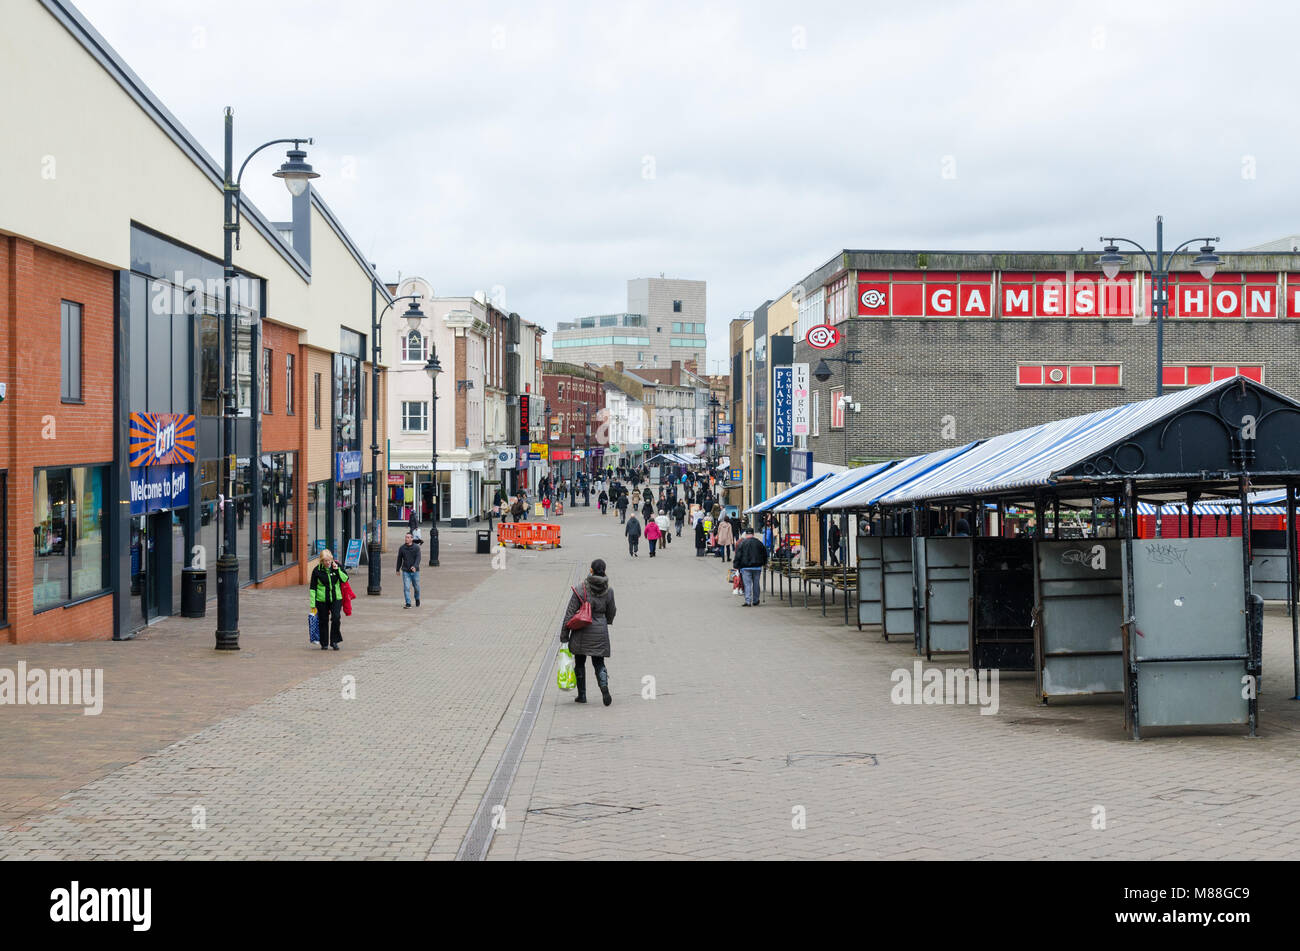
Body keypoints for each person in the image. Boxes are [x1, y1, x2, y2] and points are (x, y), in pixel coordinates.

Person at [560, 557, 618, 706]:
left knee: (580, 663)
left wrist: (564, 635)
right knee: (599, 662)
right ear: (604, 571)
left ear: (591, 570)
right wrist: (607, 621)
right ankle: (604, 688)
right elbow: (612, 611)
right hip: (600, 630)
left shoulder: (581, 588)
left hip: (581, 630)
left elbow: (569, 613)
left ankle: (582, 695)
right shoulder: (609, 590)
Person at [309, 549, 349, 650]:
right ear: (321, 561)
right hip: (321, 600)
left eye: (329, 560)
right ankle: (324, 642)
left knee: (336, 618)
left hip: (336, 598)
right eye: (325, 561)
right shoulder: (317, 570)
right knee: (323, 620)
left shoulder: (337, 566)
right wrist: (313, 604)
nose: (328, 563)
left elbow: (345, 579)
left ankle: (334, 641)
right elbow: (313, 588)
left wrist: (337, 570)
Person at [733, 528, 768, 607]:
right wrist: (764, 563)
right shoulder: (759, 543)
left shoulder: (742, 543)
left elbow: (738, 555)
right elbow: (764, 554)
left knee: (747, 584)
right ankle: (755, 600)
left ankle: (748, 601)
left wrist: (736, 565)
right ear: (753, 534)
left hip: (745, 567)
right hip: (757, 567)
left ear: (746, 534)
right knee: (756, 583)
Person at [395, 532, 422, 608]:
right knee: (406, 587)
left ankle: (417, 598)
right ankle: (408, 603)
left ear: (411, 539)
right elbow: (399, 559)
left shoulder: (416, 548)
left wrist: (415, 566)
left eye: (408, 537)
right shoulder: (402, 548)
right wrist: (397, 569)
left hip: (415, 571)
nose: (406, 539)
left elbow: (418, 558)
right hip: (405, 571)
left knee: (416, 587)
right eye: (405, 537)